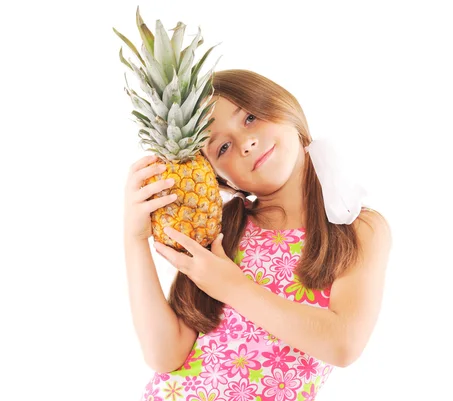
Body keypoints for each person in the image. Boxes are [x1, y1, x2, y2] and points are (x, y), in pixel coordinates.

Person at [123, 69, 392, 401]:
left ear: (284, 106)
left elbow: (343, 344)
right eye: (222, 147)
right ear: (222, 179)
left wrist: (232, 286)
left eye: (250, 118)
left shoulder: (356, 229)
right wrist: (135, 241)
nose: (246, 143)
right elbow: (165, 356)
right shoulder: (222, 229)